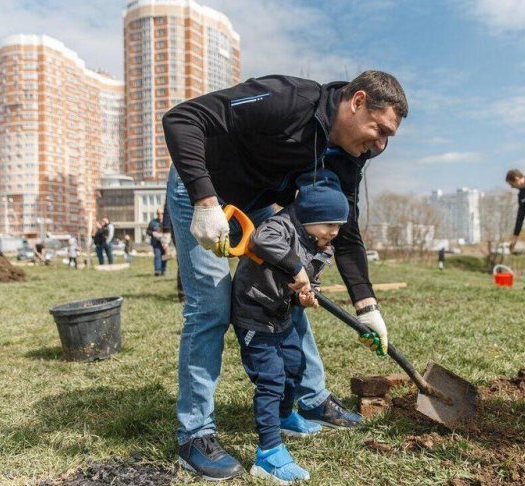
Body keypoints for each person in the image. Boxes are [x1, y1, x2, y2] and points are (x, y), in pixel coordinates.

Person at [163, 70, 407, 480]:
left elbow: (343, 229)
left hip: (254, 204)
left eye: (388, 138)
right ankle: (195, 433)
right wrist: (205, 201)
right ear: (358, 101)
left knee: (290, 292)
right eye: (379, 130)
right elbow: (183, 119)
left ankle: (309, 398)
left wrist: (367, 306)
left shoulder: (352, 154)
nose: (380, 144)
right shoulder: (286, 100)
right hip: (201, 188)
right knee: (211, 307)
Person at [231, 169, 350, 483]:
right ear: (310, 216)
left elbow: (302, 286)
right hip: (254, 313)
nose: (335, 232)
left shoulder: (321, 246)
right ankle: (268, 454)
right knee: (270, 379)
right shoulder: (280, 226)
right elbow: (259, 239)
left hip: (280, 314)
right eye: (331, 225)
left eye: (340, 226)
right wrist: (296, 268)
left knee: (295, 367)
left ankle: (285, 416)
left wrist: (304, 298)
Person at [161, 201, 184, 302]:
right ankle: (183, 295)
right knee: (184, 259)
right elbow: (168, 204)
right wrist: (166, 229)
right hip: (180, 223)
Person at [147, 209, 167, 276]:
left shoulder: (166, 222)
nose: (160, 215)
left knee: (164, 256)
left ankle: (163, 270)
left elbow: (170, 231)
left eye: (161, 213)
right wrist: (152, 233)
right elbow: (147, 231)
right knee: (157, 255)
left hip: (164, 242)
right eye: (158, 213)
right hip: (156, 243)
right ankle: (157, 271)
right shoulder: (152, 222)